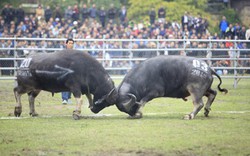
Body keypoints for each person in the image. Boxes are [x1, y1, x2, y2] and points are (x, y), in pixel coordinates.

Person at [61, 38, 74, 104]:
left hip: (71, 70)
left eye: (72, 43)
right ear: (66, 44)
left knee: (71, 85)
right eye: (69, 43)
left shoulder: (74, 53)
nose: (71, 45)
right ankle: (64, 99)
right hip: (64, 70)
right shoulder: (63, 52)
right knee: (65, 84)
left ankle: (68, 98)